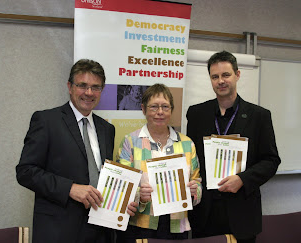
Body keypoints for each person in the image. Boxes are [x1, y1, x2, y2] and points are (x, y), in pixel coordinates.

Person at [16, 59, 136, 243]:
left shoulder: (107, 129)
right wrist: (69, 188)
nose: (89, 93)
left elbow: (104, 178)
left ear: (101, 91)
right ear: (69, 87)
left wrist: (120, 202)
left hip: (101, 231)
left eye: (95, 87)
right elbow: (25, 171)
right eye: (82, 85)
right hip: (59, 230)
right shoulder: (47, 120)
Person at [186, 51, 281, 242]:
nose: (220, 81)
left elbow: (271, 160)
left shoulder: (259, 116)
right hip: (205, 213)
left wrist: (243, 179)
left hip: (242, 212)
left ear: (237, 75)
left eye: (226, 75)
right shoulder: (196, 114)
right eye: (215, 76)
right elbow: (191, 158)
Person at [116, 83, 202, 242]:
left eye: (165, 107)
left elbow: (197, 182)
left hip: (176, 226)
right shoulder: (130, 142)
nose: (160, 112)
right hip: (140, 225)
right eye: (154, 107)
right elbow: (121, 187)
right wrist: (139, 195)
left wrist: (194, 190)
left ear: (171, 110)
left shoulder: (187, 144)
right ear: (143, 109)